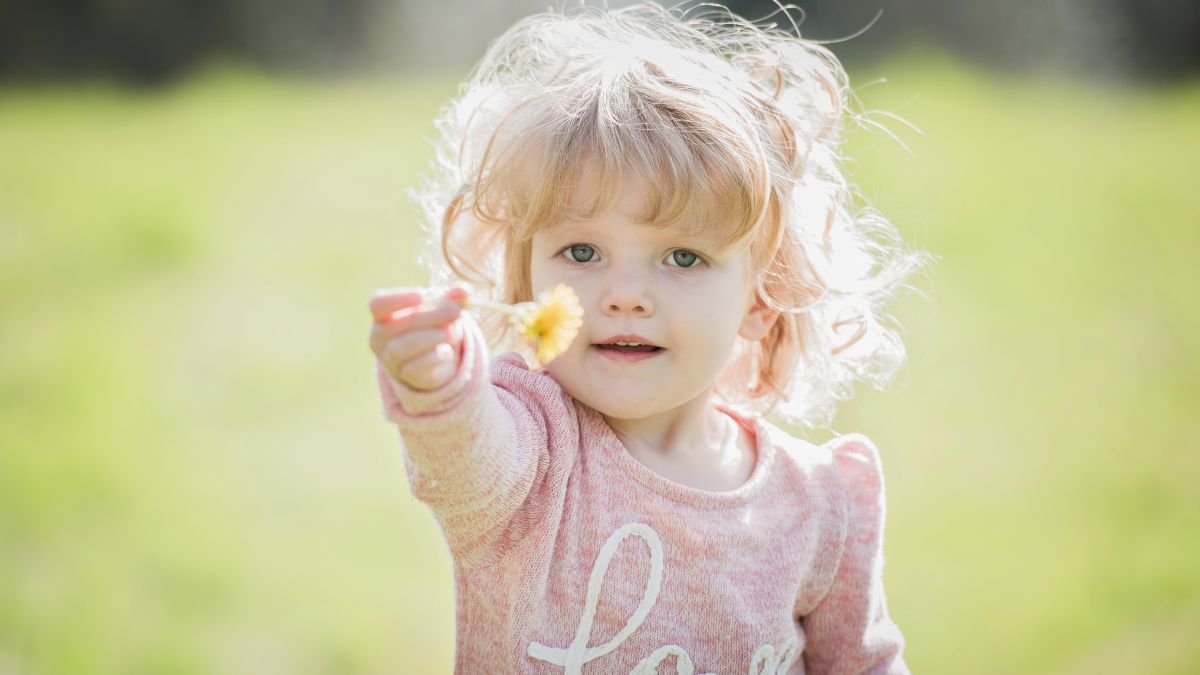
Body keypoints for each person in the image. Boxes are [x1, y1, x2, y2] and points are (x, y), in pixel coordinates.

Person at [368, 3, 926, 672]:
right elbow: (465, 456)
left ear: (761, 295)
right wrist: (440, 383)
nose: (624, 293)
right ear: (524, 283)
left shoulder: (818, 504)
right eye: (580, 250)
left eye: (683, 257)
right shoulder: (532, 452)